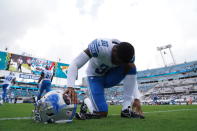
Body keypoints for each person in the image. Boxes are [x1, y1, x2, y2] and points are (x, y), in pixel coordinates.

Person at [66, 38, 144, 120]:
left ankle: (126, 109)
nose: (119, 63)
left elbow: (132, 77)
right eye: (118, 60)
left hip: (111, 76)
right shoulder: (100, 47)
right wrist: (70, 86)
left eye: (122, 62)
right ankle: (87, 101)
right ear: (114, 50)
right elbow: (75, 63)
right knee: (102, 113)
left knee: (131, 66)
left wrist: (136, 98)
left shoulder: (127, 57)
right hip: (95, 77)